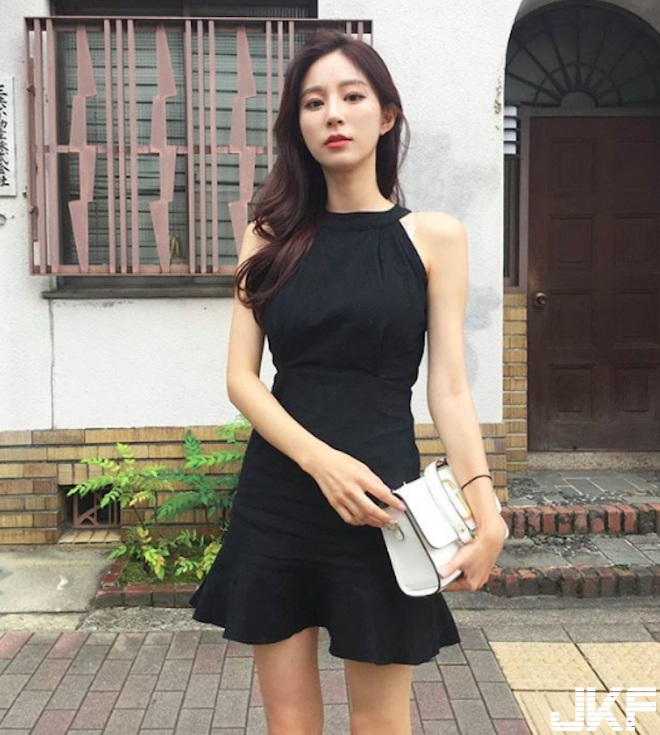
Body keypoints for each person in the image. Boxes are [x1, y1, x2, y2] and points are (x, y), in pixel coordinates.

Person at [189, 28, 506, 735]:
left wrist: (486, 507)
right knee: (290, 722)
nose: (333, 113)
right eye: (313, 102)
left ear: (386, 115)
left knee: (380, 721)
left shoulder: (435, 238)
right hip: (280, 496)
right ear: (298, 126)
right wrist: (321, 462)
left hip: (383, 505)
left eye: (351, 96)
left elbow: (449, 388)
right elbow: (242, 379)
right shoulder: (269, 234)